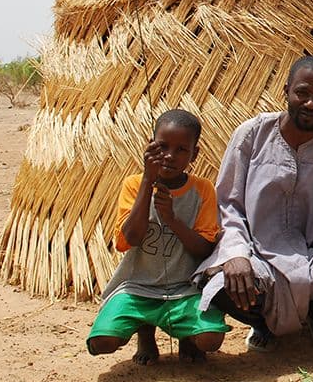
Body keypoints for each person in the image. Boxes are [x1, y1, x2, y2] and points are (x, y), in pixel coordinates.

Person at [195, 55, 313, 352]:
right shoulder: (251, 135)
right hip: (260, 256)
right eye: (303, 93)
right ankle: (263, 322)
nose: (311, 104)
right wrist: (235, 253)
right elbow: (227, 206)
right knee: (223, 283)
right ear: (285, 90)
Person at [86, 109, 229, 364]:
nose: (170, 156)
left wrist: (172, 220)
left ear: (194, 154)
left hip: (185, 289)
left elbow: (204, 249)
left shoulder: (203, 189)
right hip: (138, 288)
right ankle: (145, 331)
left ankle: (186, 336)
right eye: (162, 147)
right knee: (102, 343)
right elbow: (129, 238)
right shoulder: (133, 184)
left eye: (181, 150)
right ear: (150, 146)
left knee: (209, 339)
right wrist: (147, 183)